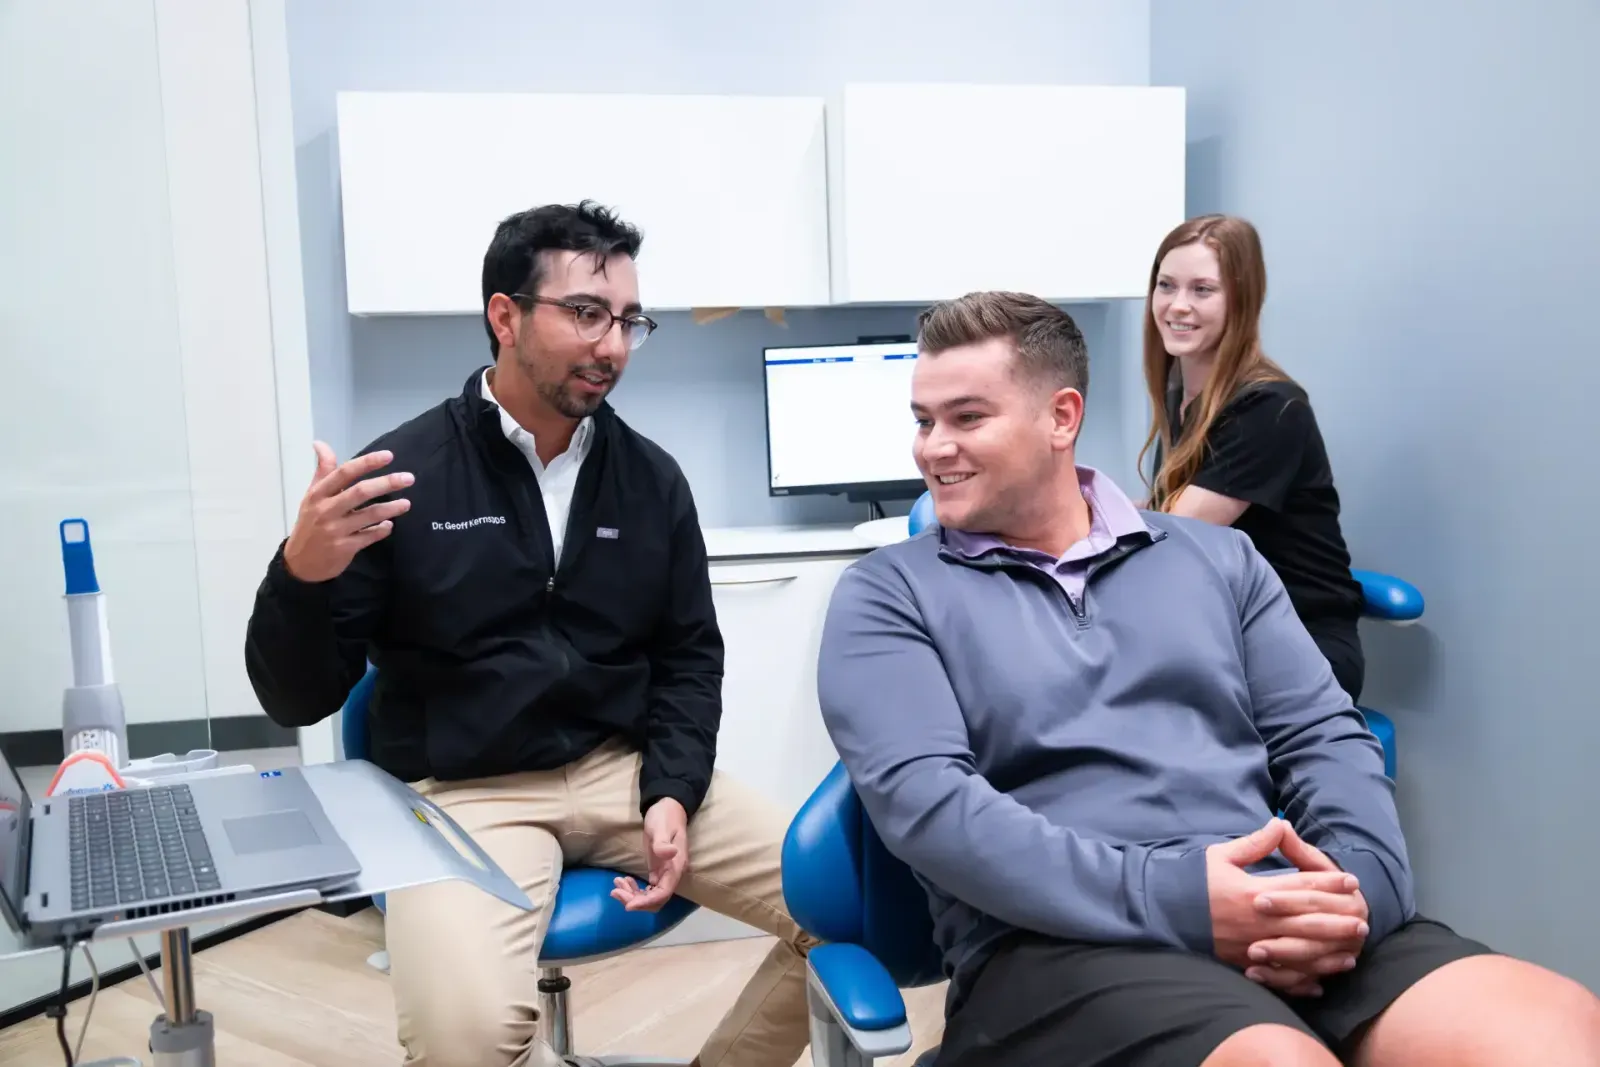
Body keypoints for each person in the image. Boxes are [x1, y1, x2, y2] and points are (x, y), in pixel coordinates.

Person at [816, 290, 1600, 1067]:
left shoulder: (1216, 559)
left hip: (1275, 900)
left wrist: (1354, 894)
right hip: (1059, 948)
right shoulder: (887, 595)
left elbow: (1325, 736)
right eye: (924, 421)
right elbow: (934, 810)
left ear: (1061, 417)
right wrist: (1185, 899)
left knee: (1557, 1029)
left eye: (966, 418)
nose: (932, 448)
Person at [243, 201, 813, 1067]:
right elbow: (298, 694)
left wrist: (672, 785)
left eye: (628, 321)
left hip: (626, 773)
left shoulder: (652, 481)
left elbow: (690, 657)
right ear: (504, 316)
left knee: (860, 904)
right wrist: (302, 573)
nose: (613, 345)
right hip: (466, 793)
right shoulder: (401, 478)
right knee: (463, 1039)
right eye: (586, 313)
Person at [1138, 215, 1369, 701]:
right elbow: (1159, 516)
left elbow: (1174, 540)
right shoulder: (1184, 400)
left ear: (1241, 300)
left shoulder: (1268, 408)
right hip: (1224, 634)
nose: (1178, 305)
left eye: (1203, 290)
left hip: (1300, 648)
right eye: (1166, 285)